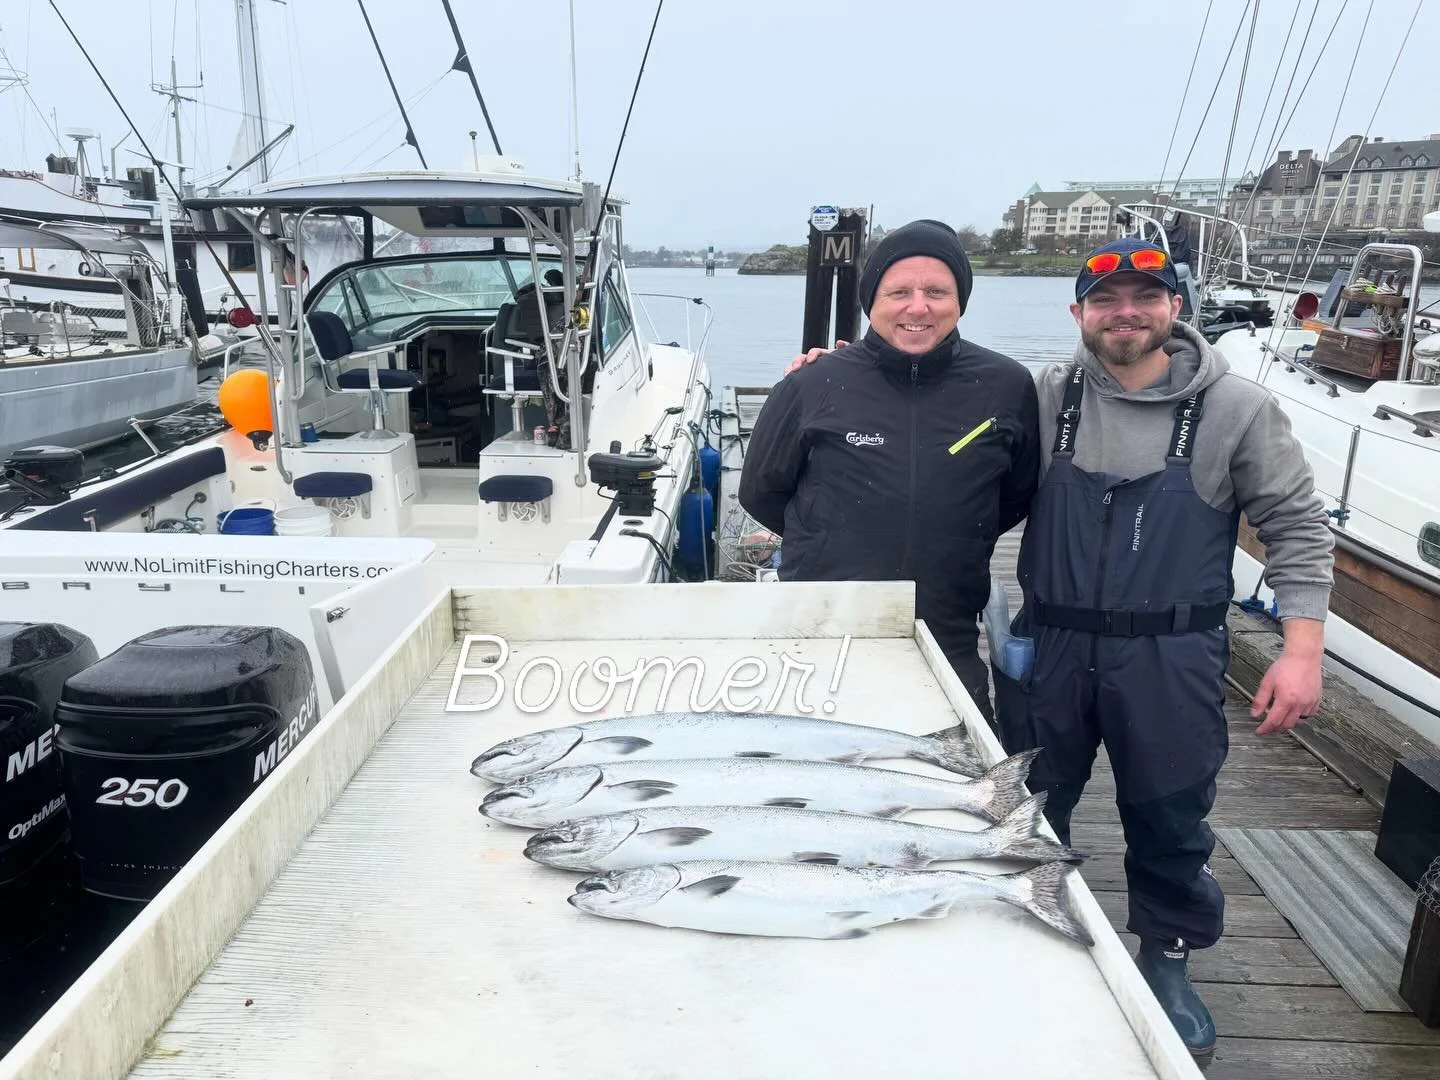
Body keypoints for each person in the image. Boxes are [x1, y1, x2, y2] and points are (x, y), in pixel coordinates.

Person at [995, 236, 1332, 1062]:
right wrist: (838, 369)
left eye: (1146, 297)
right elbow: (940, 434)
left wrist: (1302, 652)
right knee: (1030, 799)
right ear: (1079, 314)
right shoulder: (1047, 395)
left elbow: (1296, 528)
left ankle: (1168, 955)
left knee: (1171, 811)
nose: (1125, 314)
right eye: (1105, 301)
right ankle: (1031, 927)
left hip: (1173, 652)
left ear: (1175, 308)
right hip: (1055, 642)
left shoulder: (1238, 410)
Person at [738, 219, 1040, 722]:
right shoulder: (813, 383)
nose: (918, 307)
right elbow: (761, 491)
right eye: (899, 291)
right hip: (825, 629)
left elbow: (1014, 494)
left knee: (961, 777)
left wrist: (953, 526)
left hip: (948, 631)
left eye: (936, 292)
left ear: (960, 300)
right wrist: (835, 538)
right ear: (871, 302)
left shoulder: (1006, 385)